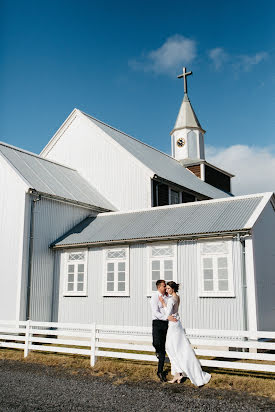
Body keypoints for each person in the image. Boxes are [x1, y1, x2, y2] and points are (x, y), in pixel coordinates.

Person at [159, 281, 211, 387]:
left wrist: (163, 306)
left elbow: (167, 314)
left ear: (173, 289)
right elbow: (173, 312)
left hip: (173, 326)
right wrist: (165, 305)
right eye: (166, 288)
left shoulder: (171, 300)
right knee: (178, 348)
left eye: (169, 288)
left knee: (170, 348)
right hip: (177, 324)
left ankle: (179, 372)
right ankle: (178, 374)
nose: (167, 290)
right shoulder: (177, 297)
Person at [150, 279, 177, 382]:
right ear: (158, 287)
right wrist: (166, 317)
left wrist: (168, 318)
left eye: (166, 286)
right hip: (157, 322)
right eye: (163, 286)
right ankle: (157, 351)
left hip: (166, 323)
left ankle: (160, 371)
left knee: (163, 348)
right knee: (156, 343)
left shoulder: (168, 297)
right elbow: (155, 312)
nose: (165, 287)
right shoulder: (154, 297)